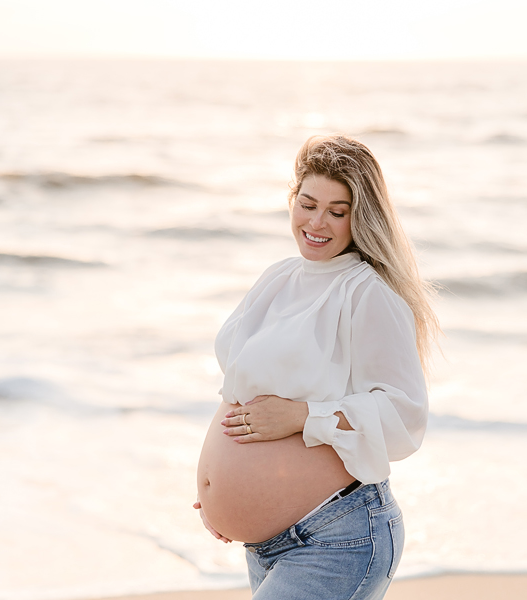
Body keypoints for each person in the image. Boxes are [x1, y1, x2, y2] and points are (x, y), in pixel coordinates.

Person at [194, 134, 439, 600]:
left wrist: (302, 415)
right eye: (308, 204)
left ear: (359, 217)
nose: (317, 222)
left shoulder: (367, 294)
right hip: (268, 542)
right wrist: (219, 494)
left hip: (335, 537)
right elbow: (240, 392)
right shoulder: (278, 278)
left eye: (337, 211)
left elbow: (405, 415)